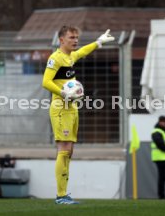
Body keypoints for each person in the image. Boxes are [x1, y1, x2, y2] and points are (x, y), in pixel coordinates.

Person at [42, 26, 114, 204]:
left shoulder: (69, 57)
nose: (75, 40)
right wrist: (63, 93)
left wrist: (98, 42)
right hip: (60, 107)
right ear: (61, 40)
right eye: (71, 37)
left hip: (72, 107)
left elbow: (81, 52)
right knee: (64, 149)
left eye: (76, 37)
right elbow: (45, 82)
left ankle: (64, 193)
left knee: (69, 150)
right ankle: (60, 195)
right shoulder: (55, 58)